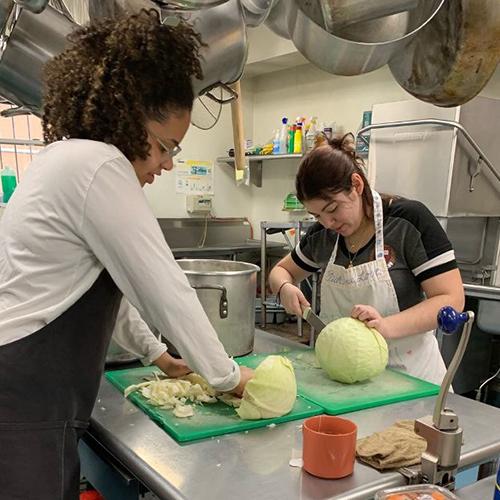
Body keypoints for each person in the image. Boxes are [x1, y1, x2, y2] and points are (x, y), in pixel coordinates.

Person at [0, 10, 253, 499]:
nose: (165, 164)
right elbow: (162, 286)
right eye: (164, 147)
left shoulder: (64, 157)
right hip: (23, 402)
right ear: (127, 114)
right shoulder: (100, 164)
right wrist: (228, 376)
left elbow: (105, 287)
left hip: (25, 395)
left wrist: (157, 353)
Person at [269, 133, 464, 385]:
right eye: (317, 215)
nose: (328, 223)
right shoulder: (324, 236)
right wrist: (284, 287)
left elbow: (452, 299)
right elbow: (280, 271)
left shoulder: (408, 222)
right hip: (343, 381)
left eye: (332, 209)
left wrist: (386, 326)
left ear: (357, 185)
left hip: (409, 378)